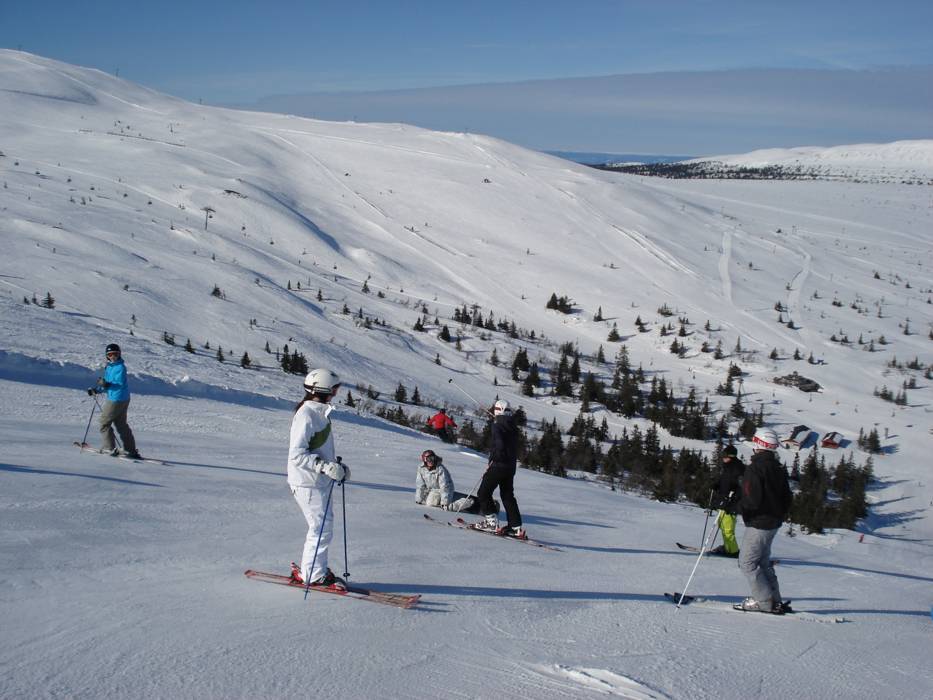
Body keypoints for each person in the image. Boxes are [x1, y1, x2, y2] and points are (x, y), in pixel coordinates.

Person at [286, 368, 350, 589]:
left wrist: (336, 467)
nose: (336, 393)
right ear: (324, 389)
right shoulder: (307, 415)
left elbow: (319, 449)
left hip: (317, 481)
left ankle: (313, 569)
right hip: (307, 482)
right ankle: (313, 574)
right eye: (334, 389)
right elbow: (297, 454)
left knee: (322, 527)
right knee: (320, 528)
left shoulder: (319, 412)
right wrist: (325, 467)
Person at [735, 427, 793, 614]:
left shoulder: (755, 469)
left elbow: (751, 500)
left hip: (759, 522)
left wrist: (737, 505)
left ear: (758, 443)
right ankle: (775, 599)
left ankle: (764, 602)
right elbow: (787, 497)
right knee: (763, 561)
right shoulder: (778, 468)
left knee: (747, 563)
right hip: (773, 522)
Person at [475, 399, 525, 538]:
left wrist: (495, 459)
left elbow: (500, 444)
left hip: (498, 465)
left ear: (498, 410)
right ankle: (515, 527)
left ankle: (491, 522)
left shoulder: (497, 425)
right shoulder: (513, 426)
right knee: (507, 496)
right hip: (510, 467)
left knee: (483, 493)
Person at [87, 343, 140, 459]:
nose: (113, 357)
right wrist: (97, 390)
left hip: (116, 399)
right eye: (110, 354)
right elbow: (107, 383)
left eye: (115, 354)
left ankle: (109, 448)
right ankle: (130, 450)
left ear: (119, 354)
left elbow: (118, 383)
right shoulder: (110, 367)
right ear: (107, 356)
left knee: (104, 423)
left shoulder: (120, 367)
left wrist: (106, 384)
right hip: (122, 398)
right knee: (121, 424)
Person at [709, 444, 745, 557]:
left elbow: (742, 487)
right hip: (724, 500)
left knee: (728, 529)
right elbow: (724, 480)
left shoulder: (738, 468)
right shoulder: (727, 467)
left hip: (731, 503)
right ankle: (728, 547)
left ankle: (733, 551)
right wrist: (716, 485)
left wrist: (733, 496)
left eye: (725, 456)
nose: (723, 458)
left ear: (731, 456)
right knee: (722, 525)